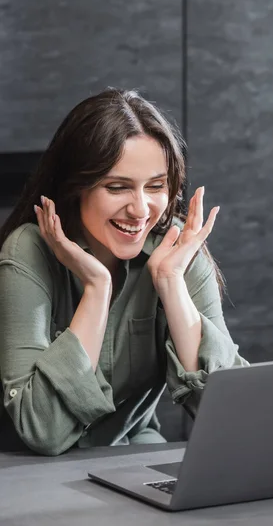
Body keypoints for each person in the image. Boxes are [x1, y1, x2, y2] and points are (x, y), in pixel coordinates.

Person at [0, 88, 248, 456]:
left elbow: (237, 419)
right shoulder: (28, 251)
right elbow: (45, 431)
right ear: (75, 188)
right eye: (117, 187)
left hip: (124, 454)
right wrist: (97, 289)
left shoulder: (177, 252)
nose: (140, 209)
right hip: (24, 476)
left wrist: (170, 283)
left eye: (156, 186)